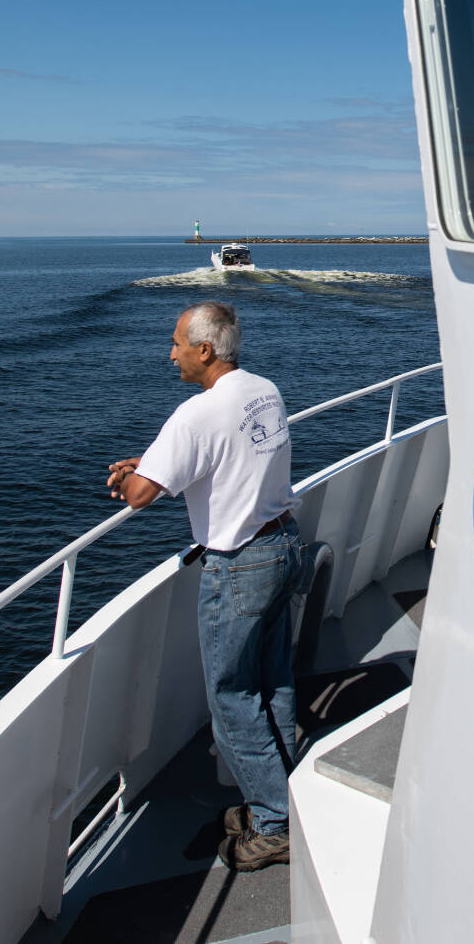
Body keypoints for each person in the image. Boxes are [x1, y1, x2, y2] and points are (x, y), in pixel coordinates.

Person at [106, 300, 303, 871]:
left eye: (176, 343)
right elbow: (227, 454)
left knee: (233, 699)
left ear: (205, 349)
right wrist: (158, 460)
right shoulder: (264, 389)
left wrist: (129, 478)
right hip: (284, 544)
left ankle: (274, 822)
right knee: (276, 682)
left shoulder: (195, 414)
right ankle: (281, 797)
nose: (170, 354)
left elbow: (143, 495)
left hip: (239, 564)